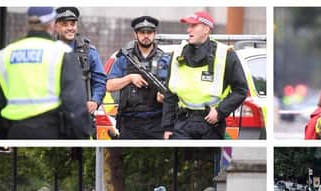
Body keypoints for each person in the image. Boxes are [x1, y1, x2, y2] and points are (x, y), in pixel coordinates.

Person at [0, 7, 91, 139]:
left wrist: (1, 139)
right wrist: (81, 139)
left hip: (15, 131)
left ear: (28, 24)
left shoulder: (5, 55)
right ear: (53, 24)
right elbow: (75, 105)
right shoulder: (61, 53)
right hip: (50, 132)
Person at [162, 11, 248, 139]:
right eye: (188, 26)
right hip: (182, 123)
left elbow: (240, 90)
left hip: (211, 123)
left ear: (206, 29)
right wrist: (167, 127)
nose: (188, 29)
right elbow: (170, 93)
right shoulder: (178, 54)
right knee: (182, 159)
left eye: (193, 25)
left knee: (209, 159)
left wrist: (220, 112)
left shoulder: (226, 54)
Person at [106, 16, 166, 139]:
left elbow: (174, 91)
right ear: (135, 34)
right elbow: (109, 85)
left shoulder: (164, 59)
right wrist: (129, 78)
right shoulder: (124, 58)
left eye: (149, 32)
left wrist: (164, 97)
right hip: (129, 122)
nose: (146, 35)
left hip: (157, 123)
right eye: (142, 32)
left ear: (154, 34)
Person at [54, 7, 107, 125]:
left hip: (82, 117)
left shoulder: (89, 52)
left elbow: (100, 81)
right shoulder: (48, 50)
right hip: (55, 118)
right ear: (56, 26)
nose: (69, 28)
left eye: (72, 24)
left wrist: (95, 101)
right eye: (64, 24)